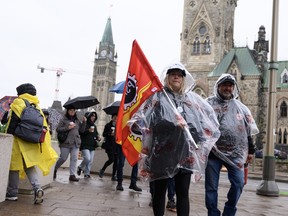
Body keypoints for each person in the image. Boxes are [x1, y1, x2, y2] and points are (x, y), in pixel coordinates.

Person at [129, 62, 220, 216]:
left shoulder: (191, 100)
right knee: (159, 192)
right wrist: (172, 124)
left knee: (183, 193)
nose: (176, 76)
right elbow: (145, 123)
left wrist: (188, 128)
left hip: (184, 154)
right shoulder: (157, 97)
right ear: (168, 77)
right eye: (173, 74)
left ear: (184, 78)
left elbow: (200, 128)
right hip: (161, 154)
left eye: (179, 74)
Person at [205, 74, 258, 216]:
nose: (227, 88)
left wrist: (251, 151)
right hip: (213, 153)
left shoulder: (241, 108)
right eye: (224, 85)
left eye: (230, 85)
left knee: (239, 183)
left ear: (233, 88)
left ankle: (229, 211)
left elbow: (248, 130)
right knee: (211, 187)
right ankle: (213, 213)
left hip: (236, 154)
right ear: (218, 86)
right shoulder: (208, 104)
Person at [5, 83, 58, 204]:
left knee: (14, 166)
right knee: (29, 166)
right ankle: (37, 188)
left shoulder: (19, 103)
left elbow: (13, 123)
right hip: (32, 140)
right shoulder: (36, 105)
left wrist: (8, 137)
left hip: (18, 140)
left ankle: (12, 193)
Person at [54, 105, 86, 182]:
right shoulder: (63, 120)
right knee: (63, 158)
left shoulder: (77, 120)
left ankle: (72, 175)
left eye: (73, 110)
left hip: (75, 142)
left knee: (74, 159)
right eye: (71, 110)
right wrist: (67, 128)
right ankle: (54, 168)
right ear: (67, 111)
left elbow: (82, 130)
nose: (72, 112)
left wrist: (84, 122)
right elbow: (58, 129)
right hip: (66, 142)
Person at [77, 110, 101, 178]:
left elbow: (96, 134)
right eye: (92, 116)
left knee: (90, 161)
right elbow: (81, 132)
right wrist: (88, 131)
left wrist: (98, 137)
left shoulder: (94, 126)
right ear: (89, 116)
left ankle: (87, 173)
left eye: (94, 116)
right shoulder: (85, 124)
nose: (93, 117)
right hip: (85, 144)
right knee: (87, 158)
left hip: (92, 145)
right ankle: (80, 167)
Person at [99, 113, 118, 181]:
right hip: (109, 145)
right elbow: (104, 134)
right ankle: (102, 169)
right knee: (111, 159)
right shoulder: (108, 125)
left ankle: (113, 176)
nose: (115, 118)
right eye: (114, 117)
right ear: (112, 118)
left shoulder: (119, 126)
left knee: (116, 161)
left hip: (116, 145)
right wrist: (110, 133)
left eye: (117, 117)